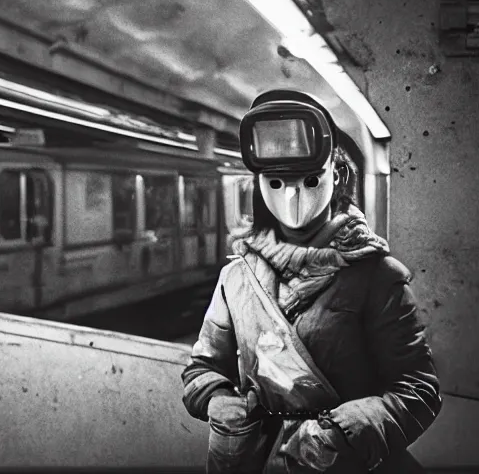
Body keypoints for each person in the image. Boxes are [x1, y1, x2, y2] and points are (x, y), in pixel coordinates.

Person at [181, 89, 442, 473]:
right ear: (259, 183)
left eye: (309, 180)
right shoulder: (236, 278)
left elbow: (419, 388)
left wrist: (349, 430)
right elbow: (202, 367)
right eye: (276, 182)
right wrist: (217, 401)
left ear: (335, 176)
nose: (292, 196)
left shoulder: (379, 278)